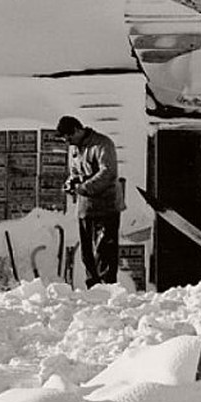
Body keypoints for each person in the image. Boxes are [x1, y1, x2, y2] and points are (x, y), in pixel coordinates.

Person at [57, 114, 123, 288]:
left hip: (106, 207)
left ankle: (107, 289)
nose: (67, 141)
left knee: (104, 252)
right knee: (88, 255)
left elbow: (108, 173)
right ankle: (93, 289)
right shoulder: (75, 149)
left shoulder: (102, 144)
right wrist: (71, 182)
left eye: (69, 136)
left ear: (78, 130)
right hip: (85, 208)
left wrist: (83, 187)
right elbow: (75, 172)